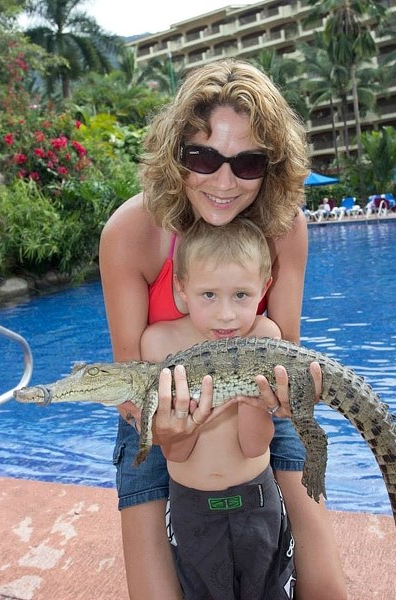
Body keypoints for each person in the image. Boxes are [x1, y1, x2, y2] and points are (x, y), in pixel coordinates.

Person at [99, 58, 347, 600]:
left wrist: (276, 402)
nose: (224, 180)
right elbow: (130, 384)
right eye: (203, 156)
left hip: (255, 396)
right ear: (176, 154)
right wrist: (171, 433)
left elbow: (285, 357)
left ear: (272, 165)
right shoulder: (131, 232)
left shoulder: (285, 226)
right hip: (161, 407)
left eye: (248, 162)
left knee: (327, 586)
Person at [141, 216, 296, 599]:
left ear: (263, 289)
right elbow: (174, 450)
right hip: (191, 508)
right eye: (208, 295)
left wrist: (252, 402)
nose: (226, 314)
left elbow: (256, 447)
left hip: (258, 501)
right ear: (182, 289)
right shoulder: (159, 346)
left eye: (241, 296)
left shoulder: (266, 337)